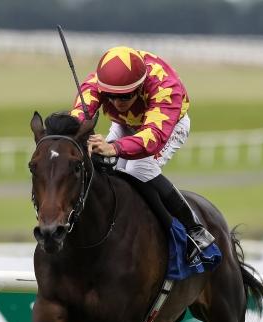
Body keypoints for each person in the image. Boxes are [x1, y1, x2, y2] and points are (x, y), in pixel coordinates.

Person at [71, 46, 214, 262]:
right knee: (111, 169)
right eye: (110, 97)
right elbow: (79, 118)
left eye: (125, 96)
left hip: (168, 126)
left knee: (138, 168)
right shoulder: (97, 83)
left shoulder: (166, 87)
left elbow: (153, 137)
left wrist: (115, 148)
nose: (117, 103)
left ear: (140, 87)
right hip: (126, 124)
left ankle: (195, 230)